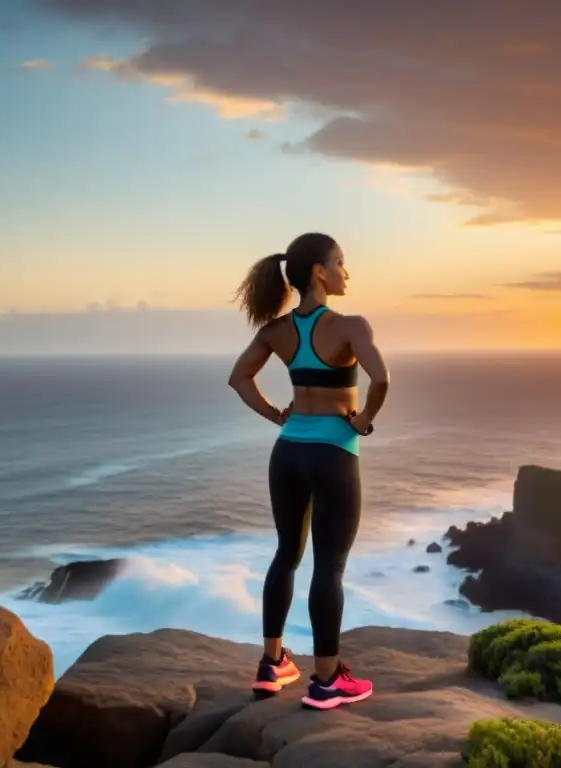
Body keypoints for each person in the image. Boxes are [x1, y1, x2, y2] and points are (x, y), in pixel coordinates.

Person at [228, 232, 390, 710]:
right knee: (330, 566)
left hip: (288, 452)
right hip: (334, 454)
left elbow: (239, 379)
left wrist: (278, 414)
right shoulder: (350, 326)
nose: (346, 271)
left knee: (286, 554)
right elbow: (380, 379)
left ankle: (272, 663)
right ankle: (326, 680)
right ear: (320, 272)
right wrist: (361, 422)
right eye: (340, 262)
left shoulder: (274, 332)